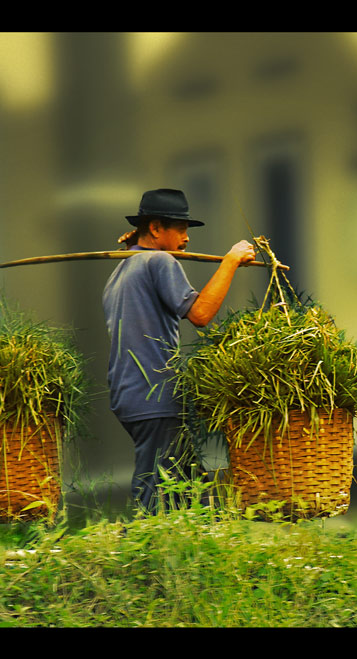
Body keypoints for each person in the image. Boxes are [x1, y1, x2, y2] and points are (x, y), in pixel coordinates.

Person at [102, 188, 256, 513]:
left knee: (186, 487)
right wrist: (230, 262)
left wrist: (135, 244)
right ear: (156, 229)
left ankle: (196, 547)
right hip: (153, 397)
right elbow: (200, 315)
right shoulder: (158, 261)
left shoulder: (123, 270)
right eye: (181, 229)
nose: (186, 239)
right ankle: (135, 554)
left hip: (133, 396)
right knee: (155, 491)